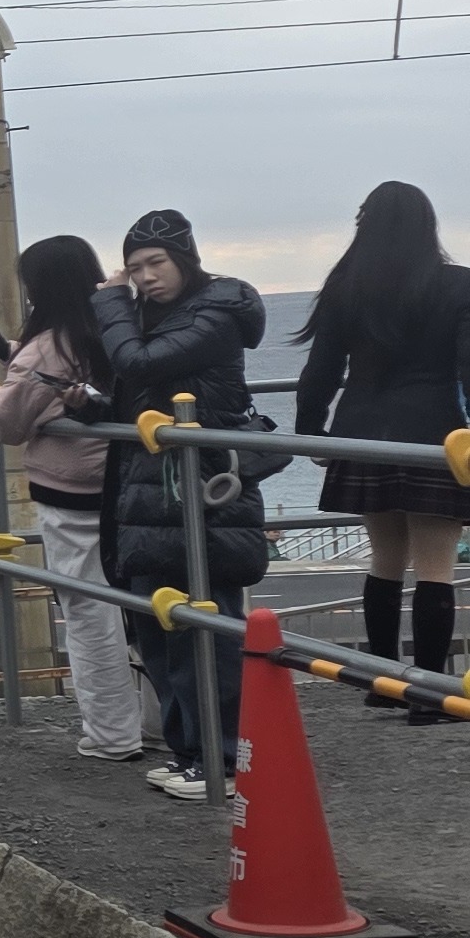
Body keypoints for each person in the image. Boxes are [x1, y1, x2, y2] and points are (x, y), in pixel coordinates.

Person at [0, 234, 143, 762]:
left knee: (89, 614)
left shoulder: (48, 345)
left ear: (39, 287)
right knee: (145, 608)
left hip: (73, 496)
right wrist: (3, 349)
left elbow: (3, 419)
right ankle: (167, 723)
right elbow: (54, 378)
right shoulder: (116, 326)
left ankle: (113, 735)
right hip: (129, 487)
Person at [90, 209, 268, 797]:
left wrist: (111, 302)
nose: (145, 277)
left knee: (205, 626)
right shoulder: (160, 316)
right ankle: (189, 750)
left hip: (202, 488)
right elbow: (135, 383)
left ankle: (223, 760)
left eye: (156, 263)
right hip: (151, 489)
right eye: (135, 267)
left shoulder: (217, 312)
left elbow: (139, 363)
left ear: (186, 259)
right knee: (159, 624)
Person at [293, 182, 470, 710]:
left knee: (384, 560)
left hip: (363, 432)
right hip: (435, 434)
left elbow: (321, 369)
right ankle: (429, 694)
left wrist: (311, 430)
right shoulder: (459, 285)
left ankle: (382, 685)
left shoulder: (346, 285)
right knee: (435, 566)